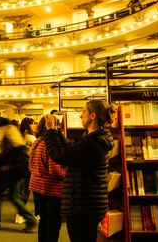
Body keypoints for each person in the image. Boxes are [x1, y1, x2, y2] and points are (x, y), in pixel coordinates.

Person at [44, 99, 117, 242]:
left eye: (83, 112)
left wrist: (51, 131)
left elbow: (60, 155)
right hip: (88, 204)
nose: (80, 116)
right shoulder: (95, 139)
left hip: (83, 206)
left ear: (93, 116)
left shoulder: (92, 142)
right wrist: (57, 131)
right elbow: (71, 150)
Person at [0, 117, 38, 232]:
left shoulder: (4, 134)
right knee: (13, 196)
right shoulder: (14, 132)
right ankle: (30, 219)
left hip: (6, 171)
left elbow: (1, 154)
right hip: (17, 171)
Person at [29, 117, 66, 242]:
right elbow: (55, 171)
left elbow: (30, 166)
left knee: (43, 219)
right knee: (54, 223)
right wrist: (67, 173)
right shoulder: (50, 145)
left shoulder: (36, 142)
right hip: (51, 189)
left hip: (36, 186)